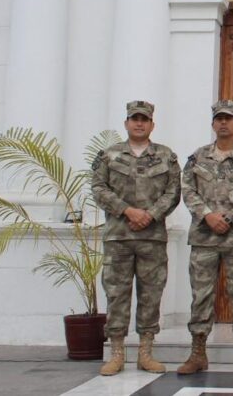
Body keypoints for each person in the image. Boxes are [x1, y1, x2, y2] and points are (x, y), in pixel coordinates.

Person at [91, 100, 181, 376]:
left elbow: (173, 192)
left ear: (152, 124)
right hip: (118, 238)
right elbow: (98, 188)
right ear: (126, 123)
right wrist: (127, 210)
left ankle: (146, 352)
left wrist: (150, 214)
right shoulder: (108, 156)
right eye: (134, 119)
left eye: (144, 119)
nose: (139, 123)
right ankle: (117, 353)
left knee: (151, 295)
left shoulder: (166, 156)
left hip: (151, 237)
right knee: (117, 294)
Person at [177, 100, 233, 376]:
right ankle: (198, 353)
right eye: (219, 119)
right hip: (204, 237)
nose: (224, 123)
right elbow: (187, 190)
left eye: (229, 118)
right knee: (201, 296)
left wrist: (232, 217)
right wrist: (207, 215)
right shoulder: (197, 158)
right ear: (213, 124)